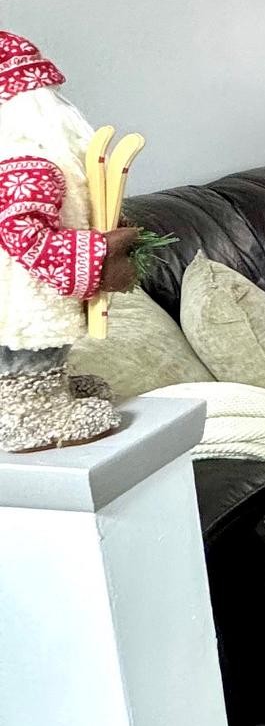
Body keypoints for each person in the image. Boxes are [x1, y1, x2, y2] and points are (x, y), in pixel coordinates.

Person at [0, 30, 139, 451]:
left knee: (38, 349)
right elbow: (22, 232)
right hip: (24, 297)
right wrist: (98, 255)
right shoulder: (28, 157)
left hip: (29, 296)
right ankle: (32, 414)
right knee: (24, 349)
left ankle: (47, 387)